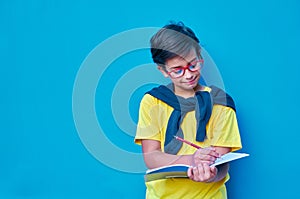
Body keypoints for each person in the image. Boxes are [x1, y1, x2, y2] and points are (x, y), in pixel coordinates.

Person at [134, 21, 242, 199]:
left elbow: (223, 164)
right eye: (178, 70)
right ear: (163, 70)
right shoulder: (151, 102)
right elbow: (151, 157)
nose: (189, 74)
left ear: (201, 57)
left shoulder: (221, 103)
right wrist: (191, 160)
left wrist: (210, 174)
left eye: (193, 64)